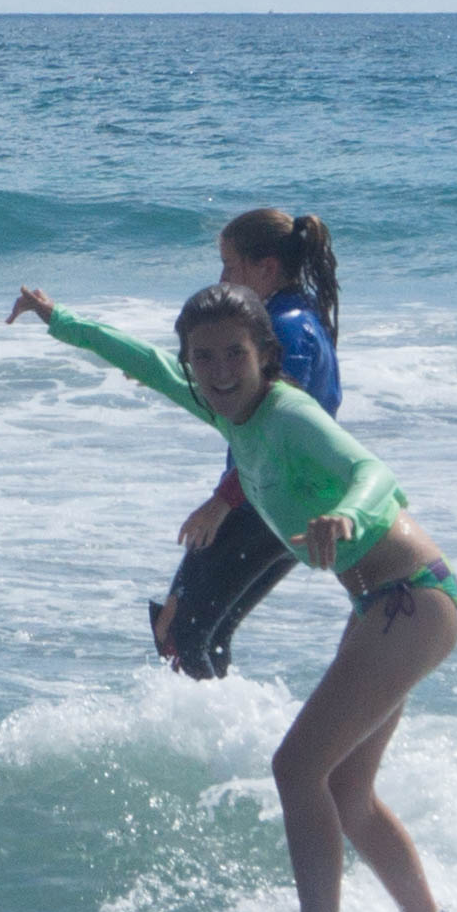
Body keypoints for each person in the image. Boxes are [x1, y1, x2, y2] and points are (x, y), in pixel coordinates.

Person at [6, 282, 457, 912]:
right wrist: (57, 319)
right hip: (386, 603)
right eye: (204, 357)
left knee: (297, 768)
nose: (219, 370)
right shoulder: (229, 413)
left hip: (412, 599)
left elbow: (375, 474)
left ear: (264, 357)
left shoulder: (287, 413)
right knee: (347, 788)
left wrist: (347, 513)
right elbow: (146, 362)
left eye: (235, 355)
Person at [151, 209, 342, 679]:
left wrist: (222, 502)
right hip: (275, 496)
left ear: (267, 268)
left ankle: (205, 722)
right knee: (204, 631)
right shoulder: (298, 317)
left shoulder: (285, 330)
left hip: (264, 498)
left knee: (180, 631)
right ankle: (223, 721)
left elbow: (275, 437)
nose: (221, 278)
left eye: (229, 265)